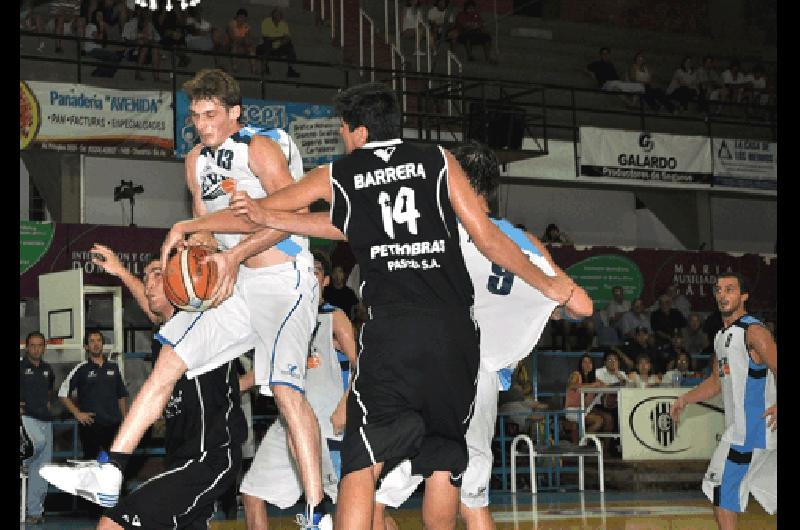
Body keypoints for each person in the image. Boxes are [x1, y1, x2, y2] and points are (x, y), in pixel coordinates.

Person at [166, 82, 576, 530]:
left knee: (362, 463)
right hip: (453, 335)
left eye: (344, 130)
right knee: (443, 459)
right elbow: (486, 236)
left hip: (393, 333)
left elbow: (260, 212)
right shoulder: (439, 160)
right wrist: (550, 284)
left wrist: (193, 222)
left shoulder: (340, 172)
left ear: (358, 131)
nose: (343, 138)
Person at [41, 68, 328, 527]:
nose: (203, 124)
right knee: (169, 360)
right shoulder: (195, 161)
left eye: (212, 114)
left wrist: (233, 257)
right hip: (233, 287)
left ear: (234, 112)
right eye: (196, 115)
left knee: (286, 390)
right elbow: (209, 233)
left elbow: (296, 216)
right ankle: (111, 470)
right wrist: (209, 261)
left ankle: (317, 511)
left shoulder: (260, 148)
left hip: (283, 280)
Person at [370, 141, 592, 530]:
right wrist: (550, 299)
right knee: (472, 501)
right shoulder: (521, 241)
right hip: (484, 380)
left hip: (429, 367)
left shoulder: (432, 232)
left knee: (375, 494)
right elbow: (584, 308)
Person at [58, 247, 249, 529]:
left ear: (181, 280)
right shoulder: (169, 332)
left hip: (209, 456)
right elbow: (153, 309)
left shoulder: (206, 319)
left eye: (158, 274)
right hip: (180, 458)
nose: (148, 283)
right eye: (145, 276)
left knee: (112, 524)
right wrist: (122, 271)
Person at [240, 250, 357, 529]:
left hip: (328, 423)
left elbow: (363, 365)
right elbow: (266, 369)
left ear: (326, 280)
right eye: (304, 269)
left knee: (351, 506)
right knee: (252, 492)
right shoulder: (285, 319)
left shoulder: (334, 317)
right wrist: (231, 389)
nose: (309, 274)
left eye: (316, 270)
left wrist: (345, 404)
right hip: (287, 422)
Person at [671, 273, 776, 527]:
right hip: (745, 432)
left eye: (730, 289)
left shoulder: (754, 331)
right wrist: (685, 399)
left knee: (721, 489)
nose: (722, 295)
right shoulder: (721, 337)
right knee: (734, 491)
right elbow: (716, 382)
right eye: (718, 290)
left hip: (753, 431)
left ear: (743, 296)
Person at [59, 329, 128, 460]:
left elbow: (121, 395)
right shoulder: (81, 369)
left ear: (102, 344)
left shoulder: (114, 368)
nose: (96, 344)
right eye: (92, 341)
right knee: (91, 463)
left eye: (99, 341)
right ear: (86, 346)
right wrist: (77, 413)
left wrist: (125, 420)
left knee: (115, 463)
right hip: (91, 425)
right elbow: (62, 393)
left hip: (114, 424)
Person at [21, 331, 55, 525]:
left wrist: (46, 406)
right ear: (27, 347)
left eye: (39, 345)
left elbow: (49, 392)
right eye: (32, 345)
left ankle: (35, 512)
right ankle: (23, 458)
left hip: (45, 420)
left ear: (44, 347)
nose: (36, 349)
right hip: (26, 417)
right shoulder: (20, 367)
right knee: (38, 444)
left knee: (42, 469)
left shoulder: (48, 369)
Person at [258, 8, 301, 78]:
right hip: (268, 44)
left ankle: (290, 69)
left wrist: (282, 42)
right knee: (267, 43)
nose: (278, 16)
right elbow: (266, 37)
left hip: (280, 44)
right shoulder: (266, 22)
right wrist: (280, 37)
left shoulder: (284, 24)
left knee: (290, 46)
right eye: (276, 14)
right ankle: (265, 67)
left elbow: (288, 37)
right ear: (273, 15)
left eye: (279, 14)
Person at [227, 8, 257, 74]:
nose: (241, 19)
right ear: (236, 17)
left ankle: (253, 69)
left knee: (251, 48)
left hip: (243, 46)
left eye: (243, 18)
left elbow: (248, 39)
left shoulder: (247, 27)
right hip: (232, 45)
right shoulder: (231, 25)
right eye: (240, 17)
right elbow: (232, 38)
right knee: (234, 46)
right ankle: (234, 67)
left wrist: (244, 40)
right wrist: (242, 39)